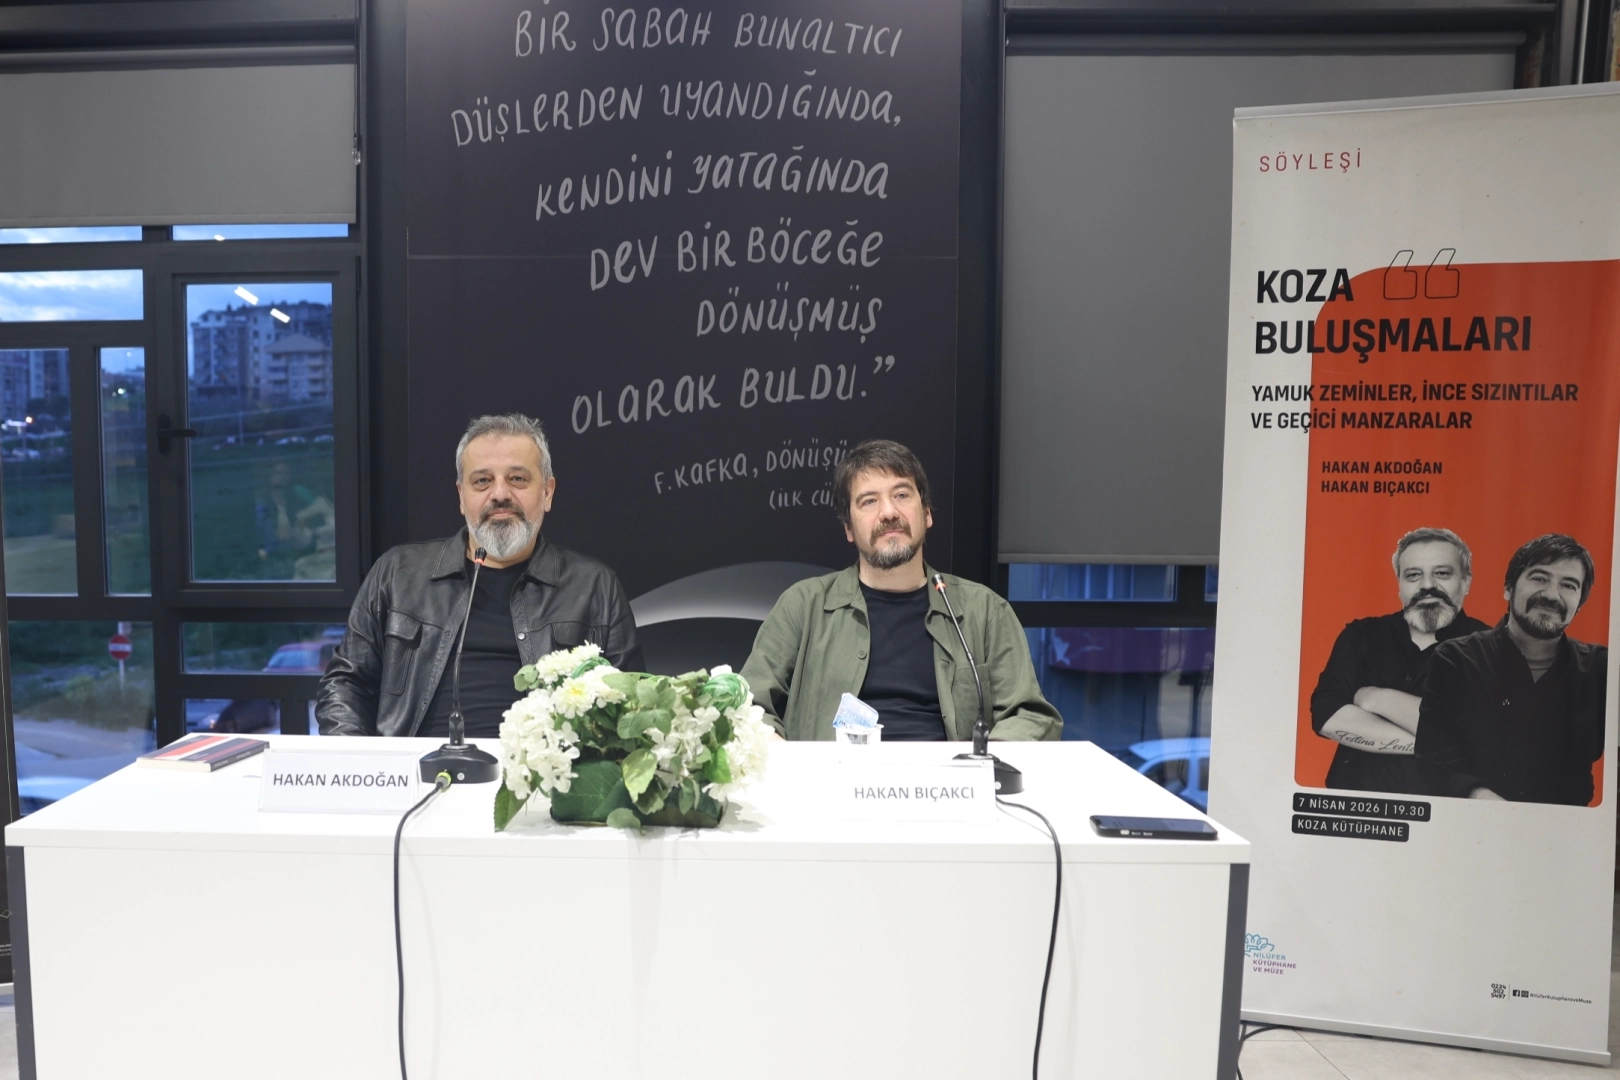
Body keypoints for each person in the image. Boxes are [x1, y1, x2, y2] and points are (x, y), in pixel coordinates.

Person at [318, 413, 641, 737]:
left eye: (517, 479)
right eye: (482, 481)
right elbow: (346, 683)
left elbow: (629, 707)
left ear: (547, 492)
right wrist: (359, 762)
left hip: (544, 767)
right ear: (461, 496)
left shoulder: (594, 586)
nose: (500, 494)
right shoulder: (397, 573)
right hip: (417, 765)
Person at [740, 439, 1060, 742]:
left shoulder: (985, 610)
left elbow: (1030, 716)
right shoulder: (802, 605)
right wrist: (781, 756)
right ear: (849, 528)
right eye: (869, 501)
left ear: (927, 513)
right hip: (835, 779)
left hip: (947, 780)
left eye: (902, 495)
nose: (889, 512)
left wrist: (981, 764)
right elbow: (747, 707)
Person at [1416, 534, 1607, 804]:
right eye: (1539, 578)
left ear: (1580, 603)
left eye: (1568, 585)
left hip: (1564, 827)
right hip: (1476, 819)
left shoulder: (1601, 668)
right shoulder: (1455, 660)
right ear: (1509, 588)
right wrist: (1483, 798)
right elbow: (1433, 759)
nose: (1551, 595)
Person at [1309, 527, 1488, 793]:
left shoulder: (1492, 649)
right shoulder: (1361, 635)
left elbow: (1481, 736)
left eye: (1441, 573)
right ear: (1400, 584)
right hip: (1353, 807)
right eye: (1413, 575)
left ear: (1466, 582)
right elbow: (1326, 716)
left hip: (1442, 811)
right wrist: (1436, 745)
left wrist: (1377, 698)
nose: (1427, 585)